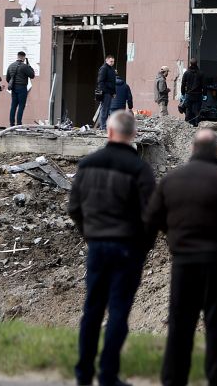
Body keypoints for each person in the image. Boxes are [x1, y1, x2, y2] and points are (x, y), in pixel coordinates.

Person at [144, 129, 217, 386]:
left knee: (180, 323)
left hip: (183, 261)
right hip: (216, 261)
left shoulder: (171, 181)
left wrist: (171, 234)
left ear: (192, 149)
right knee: (216, 325)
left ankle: (173, 379)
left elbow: (151, 218)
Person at [68, 111, 156, 386]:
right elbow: (151, 215)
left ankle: (83, 373)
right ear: (133, 135)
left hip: (97, 246)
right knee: (119, 310)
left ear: (108, 132)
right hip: (128, 248)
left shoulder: (88, 164)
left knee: (92, 308)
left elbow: (74, 207)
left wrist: (90, 235)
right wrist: (143, 247)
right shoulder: (140, 170)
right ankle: (108, 375)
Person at [5, 51, 36, 127]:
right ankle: (19, 124)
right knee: (21, 106)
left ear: (17, 56)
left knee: (13, 106)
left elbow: (7, 78)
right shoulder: (24, 66)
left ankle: (11, 124)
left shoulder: (11, 66)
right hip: (22, 88)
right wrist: (29, 66)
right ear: (23, 57)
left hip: (14, 88)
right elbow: (32, 75)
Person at [97, 56, 120, 129]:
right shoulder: (104, 68)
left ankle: (104, 125)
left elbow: (113, 83)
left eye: (113, 61)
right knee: (104, 109)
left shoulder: (111, 69)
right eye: (111, 61)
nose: (112, 63)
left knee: (107, 109)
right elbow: (100, 81)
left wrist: (113, 92)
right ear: (106, 60)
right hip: (106, 92)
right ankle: (103, 126)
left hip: (109, 92)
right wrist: (104, 91)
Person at [181, 60, 203, 126]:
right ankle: (197, 124)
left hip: (189, 95)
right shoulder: (201, 73)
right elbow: (204, 85)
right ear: (197, 64)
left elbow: (183, 84)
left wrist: (183, 93)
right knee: (197, 110)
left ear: (190, 64)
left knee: (188, 110)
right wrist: (204, 94)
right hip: (198, 95)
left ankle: (187, 124)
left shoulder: (186, 73)